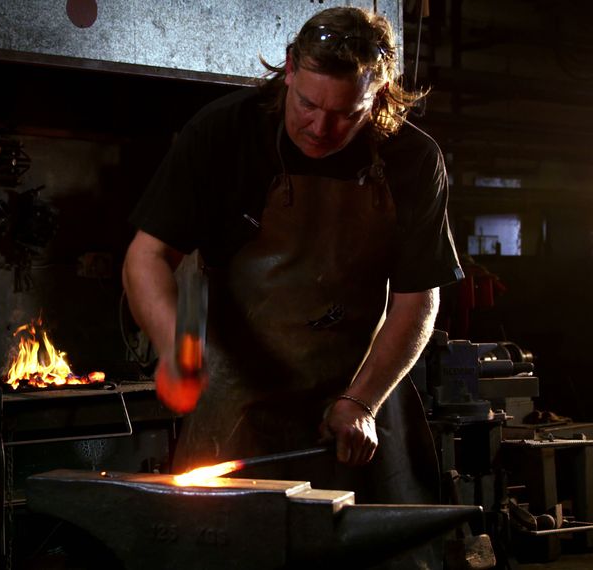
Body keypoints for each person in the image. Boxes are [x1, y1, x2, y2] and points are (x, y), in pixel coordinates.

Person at [123, 7, 463, 565]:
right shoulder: (224, 130)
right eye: (307, 104)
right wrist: (180, 351)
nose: (319, 128)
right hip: (235, 389)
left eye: (345, 114)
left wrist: (362, 402)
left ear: (378, 97)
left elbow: (418, 297)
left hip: (358, 385)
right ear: (288, 70)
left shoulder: (413, 157)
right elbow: (149, 256)